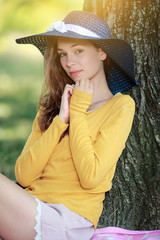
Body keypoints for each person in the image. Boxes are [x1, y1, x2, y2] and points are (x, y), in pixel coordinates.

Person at [0, 10, 138, 240]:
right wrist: (61, 120)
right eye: (62, 54)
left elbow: (91, 177)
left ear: (102, 52)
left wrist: (78, 111)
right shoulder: (54, 106)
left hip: (67, 221)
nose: (68, 62)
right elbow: (23, 176)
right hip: (30, 207)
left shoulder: (121, 106)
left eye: (79, 51)